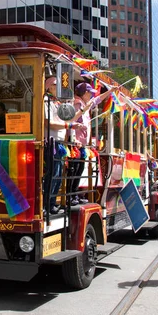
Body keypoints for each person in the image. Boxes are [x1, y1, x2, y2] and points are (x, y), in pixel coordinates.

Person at [66, 82, 115, 205]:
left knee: (79, 169)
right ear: (84, 93)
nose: (91, 95)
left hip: (81, 145)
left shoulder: (85, 103)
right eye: (89, 93)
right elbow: (71, 121)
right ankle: (70, 196)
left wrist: (110, 91)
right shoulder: (77, 104)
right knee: (74, 169)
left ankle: (74, 194)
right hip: (75, 143)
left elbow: (97, 100)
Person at [43, 77, 67, 214]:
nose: (57, 87)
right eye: (54, 85)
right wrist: (66, 125)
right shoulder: (46, 101)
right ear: (48, 87)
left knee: (58, 175)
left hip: (59, 142)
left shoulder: (57, 103)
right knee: (52, 174)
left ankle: (52, 203)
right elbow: (47, 122)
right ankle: (46, 204)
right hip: (51, 142)